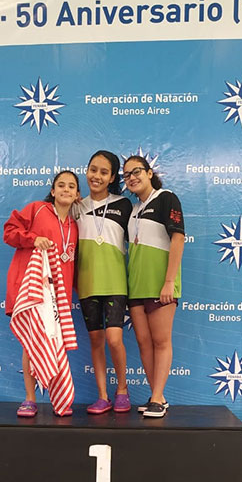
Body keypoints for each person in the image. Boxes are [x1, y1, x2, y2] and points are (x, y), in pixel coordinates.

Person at [4, 170, 79, 417]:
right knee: (31, 342)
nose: (66, 189)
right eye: (61, 185)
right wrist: (33, 239)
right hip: (32, 289)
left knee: (55, 343)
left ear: (77, 195)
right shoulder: (37, 209)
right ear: (53, 191)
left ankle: (59, 399)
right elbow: (9, 231)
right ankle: (30, 398)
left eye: (71, 186)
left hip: (59, 297)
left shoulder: (75, 226)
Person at [123, 155, 185, 418]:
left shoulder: (166, 197)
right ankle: (156, 396)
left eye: (136, 171)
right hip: (136, 286)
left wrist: (169, 282)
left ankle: (157, 397)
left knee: (161, 341)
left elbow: (178, 239)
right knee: (143, 343)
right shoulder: (134, 209)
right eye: (126, 175)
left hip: (161, 285)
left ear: (149, 173)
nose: (131, 177)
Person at [76, 151, 132, 414]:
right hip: (87, 283)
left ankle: (122, 389)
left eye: (103, 172)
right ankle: (102, 396)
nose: (96, 176)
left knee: (113, 338)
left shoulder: (124, 205)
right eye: (93, 169)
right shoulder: (76, 206)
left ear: (111, 178)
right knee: (96, 340)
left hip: (115, 282)